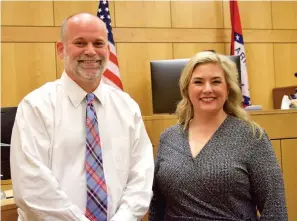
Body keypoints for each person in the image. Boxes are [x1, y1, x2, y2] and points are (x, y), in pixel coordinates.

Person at [10, 13, 154, 221]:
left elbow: (141, 174)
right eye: (80, 42)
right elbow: (32, 187)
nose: (90, 51)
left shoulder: (127, 107)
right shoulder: (36, 106)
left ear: (107, 49)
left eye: (98, 43)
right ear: (61, 49)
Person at [149, 51, 288, 221]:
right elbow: (157, 204)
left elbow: (274, 208)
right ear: (186, 89)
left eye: (216, 81)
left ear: (228, 88)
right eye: (198, 82)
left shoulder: (252, 137)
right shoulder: (169, 138)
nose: (207, 89)